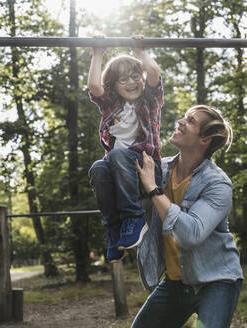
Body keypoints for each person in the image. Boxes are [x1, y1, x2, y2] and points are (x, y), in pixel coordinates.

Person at [133, 105, 243, 328]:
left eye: (190, 121)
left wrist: (154, 190)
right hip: (176, 281)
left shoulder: (218, 184)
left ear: (205, 140)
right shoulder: (159, 169)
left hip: (216, 281)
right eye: (184, 117)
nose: (181, 122)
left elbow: (191, 234)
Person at [87, 36, 164, 263]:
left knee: (117, 154)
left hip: (148, 172)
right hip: (120, 176)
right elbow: (94, 86)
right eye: (123, 79)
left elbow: (153, 71)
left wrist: (139, 51)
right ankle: (113, 229)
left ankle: (134, 217)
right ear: (113, 86)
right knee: (98, 168)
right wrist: (97, 53)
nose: (131, 82)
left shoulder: (150, 100)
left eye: (134, 76)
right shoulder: (111, 104)